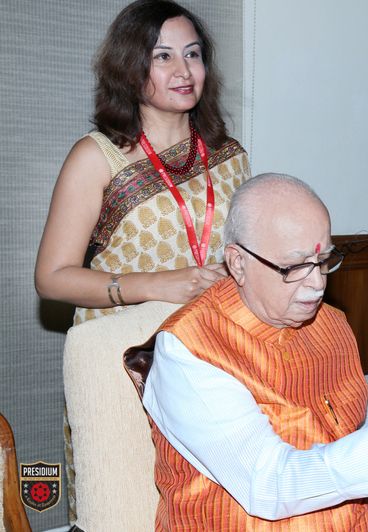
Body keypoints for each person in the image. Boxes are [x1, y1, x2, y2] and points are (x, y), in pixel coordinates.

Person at [123, 173, 368, 531]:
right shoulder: (191, 350)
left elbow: (356, 464)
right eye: (295, 267)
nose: (316, 284)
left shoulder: (331, 325)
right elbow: (273, 485)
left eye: (324, 260)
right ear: (238, 263)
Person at [33, 0, 250, 520]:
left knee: (211, 506)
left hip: (213, 359)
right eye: (163, 57)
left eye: (193, 55)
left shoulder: (230, 154)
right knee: (126, 505)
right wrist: (157, 284)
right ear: (132, 69)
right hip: (121, 364)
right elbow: (52, 278)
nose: (183, 71)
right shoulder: (97, 157)